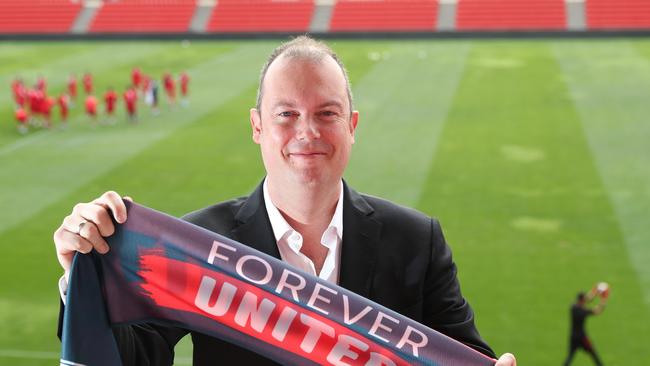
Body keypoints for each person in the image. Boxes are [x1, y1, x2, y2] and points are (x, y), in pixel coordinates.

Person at [53, 36, 516, 366]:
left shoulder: (417, 240)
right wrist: (84, 274)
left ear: (352, 125)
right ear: (257, 127)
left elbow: (463, 357)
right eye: (286, 114)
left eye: (326, 113)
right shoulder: (199, 241)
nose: (307, 131)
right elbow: (131, 357)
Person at [563, 287, 607, 366]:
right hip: (582, 337)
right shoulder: (583, 311)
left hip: (573, 337)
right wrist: (603, 303)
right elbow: (597, 311)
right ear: (582, 300)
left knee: (570, 357)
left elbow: (585, 301)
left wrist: (594, 293)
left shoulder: (573, 307)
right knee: (593, 354)